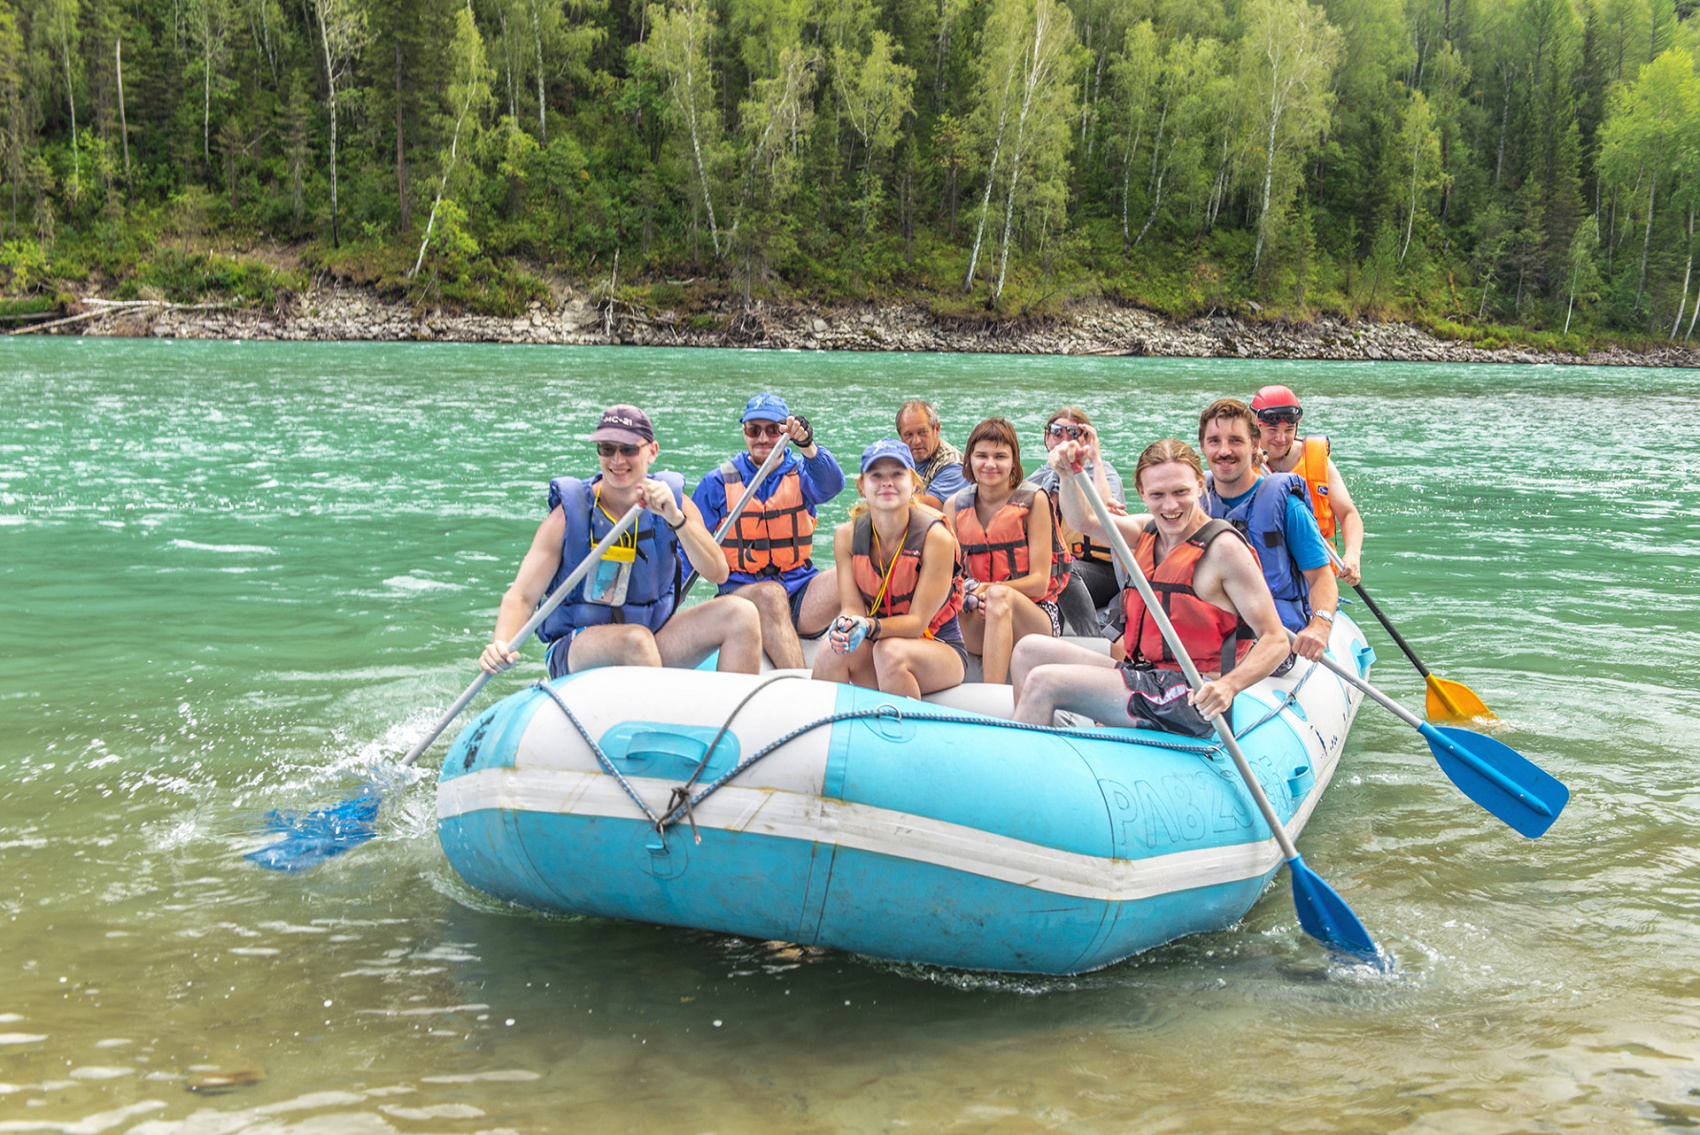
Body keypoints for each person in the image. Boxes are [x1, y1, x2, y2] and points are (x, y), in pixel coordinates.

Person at [1010, 438, 1289, 737]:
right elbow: (1083, 521)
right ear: (1142, 493)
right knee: (1028, 650)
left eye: (1180, 491)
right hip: (1145, 676)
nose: (1170, 506)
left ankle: (1021, 767)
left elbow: (1276, 640)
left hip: (1190, 696)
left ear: (1199, 485)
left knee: (1044, 681)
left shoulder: (1225, 550)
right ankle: (1040, 739)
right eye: (1157, 495)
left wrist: (1228, 686)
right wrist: (1066, 474)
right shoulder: (1147, 532)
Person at [479, 405, 763, 679]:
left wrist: (676, 519)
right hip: (579, 646)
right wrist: (501, 643)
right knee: (635, 641)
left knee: (741, 613)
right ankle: (658, 721)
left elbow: (718, 571)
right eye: (607, 449)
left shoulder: (676, 505)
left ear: (652, 452)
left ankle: (729, 723)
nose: (617, 460)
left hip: (651, 634)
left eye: (628, 449)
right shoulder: (568, 517)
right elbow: (522, 596)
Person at [692, 392, 845, 668]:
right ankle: (802, 690)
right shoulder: (717, 482)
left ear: (785, 432)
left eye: (773, 430)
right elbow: (686, 545)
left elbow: (833, 485)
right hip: (742, 596)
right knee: (770, 593)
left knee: (853, 572)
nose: (762, 438)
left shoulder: (802, 473)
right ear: (744, 432)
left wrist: (808, 446)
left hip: (799, 592)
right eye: (754, 430)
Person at [812, 439, 968, 697]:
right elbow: (851, 606)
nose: (887, 482)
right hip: (878, 641)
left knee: (889, 652)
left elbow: (918, 623)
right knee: (832, 650)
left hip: (938, 648)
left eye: (897, 474)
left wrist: (869, 627)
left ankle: (907, 733)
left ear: (914, 483)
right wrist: (846, 623)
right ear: (862, 485)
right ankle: (826, 731)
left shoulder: (936, 538)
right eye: (876, 475)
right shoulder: (845, 536)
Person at [1197, 398, 1339, 663]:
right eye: (1215, 441)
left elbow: (1321, 577)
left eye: (1236, 441)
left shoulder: (1287, 507)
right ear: (1203, 446)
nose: (1224, 451)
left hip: (1271, 636)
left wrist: (1320, 624)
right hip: (1210, 629)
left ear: (1254, 445)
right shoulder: (1192, 501)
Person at [944, 417, 1068, 684]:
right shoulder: (954, 506)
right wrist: (969, 594)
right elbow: (946, 576)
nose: (990, 464)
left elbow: (1039, 583)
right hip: (977, 613)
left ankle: (993, 694)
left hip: (1033, 618)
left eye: (1000, 456)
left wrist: (986, 588)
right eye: (982, 456)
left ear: (1014, 462)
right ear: (969, 460)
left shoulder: (1035, 501)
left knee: (1000, 596)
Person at [1250, 384, 1365, 585]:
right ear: (1255, 427)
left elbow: (1348, 514)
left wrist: (1353, 555)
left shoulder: (1316, 460)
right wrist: (1244, 462)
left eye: (1289, 430)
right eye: (1272, 430)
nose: (1281, 438)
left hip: (1313, 574)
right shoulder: (1241, 461)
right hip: (1262, 575)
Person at [1026, 406, 1127, 634]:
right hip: (1061, 566)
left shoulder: (1103, 472)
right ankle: (1050, 639)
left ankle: (1093, 639)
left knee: (1062, 568)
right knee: (1054, 569)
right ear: (1047, 437)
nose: (1064, 439)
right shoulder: (1040, 478)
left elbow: (1109, 514)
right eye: (1057, 432)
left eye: (1073, 433)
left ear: (1085, 439)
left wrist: (1095, 459)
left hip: (1103, 571)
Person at [896, 399, 967, 508]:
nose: (916, 441)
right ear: (900, 436)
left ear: (937, 429)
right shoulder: (896, 458)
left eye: (922, 432)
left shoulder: (953, 465)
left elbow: (933, 506)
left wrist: (885, 495)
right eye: (908, 435)